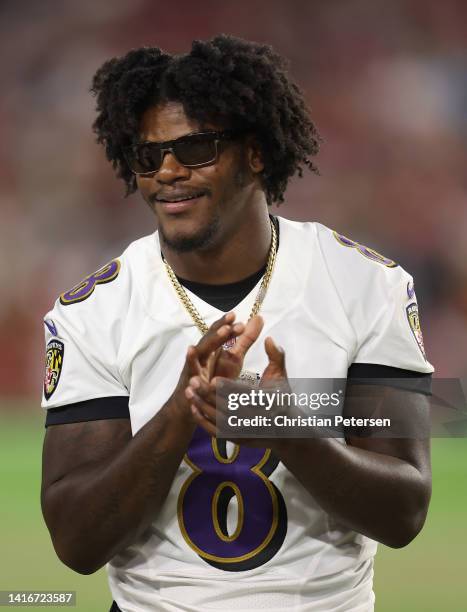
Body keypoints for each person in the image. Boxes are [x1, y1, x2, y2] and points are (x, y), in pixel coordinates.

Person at [40, 35, 434, 612]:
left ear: (255, 153)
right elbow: (76, 542)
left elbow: (405, 512)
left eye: (195, 148)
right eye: (147, 156)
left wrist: (287, 428)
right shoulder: (91, 312)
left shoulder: (367, 285)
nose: (167, 172)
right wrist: (179, 415)